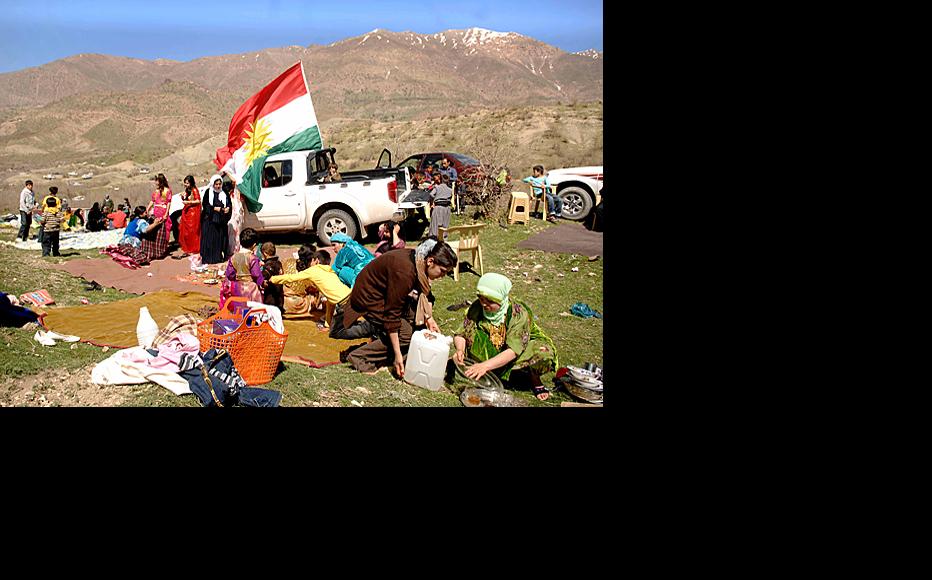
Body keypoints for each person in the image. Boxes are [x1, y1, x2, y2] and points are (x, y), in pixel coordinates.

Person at [329, 240, 457, 376]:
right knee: (406, 335)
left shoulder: (418, 260)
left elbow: (423, 295)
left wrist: (429, 319)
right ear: (430, 261)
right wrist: (397, 356)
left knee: (415, 324)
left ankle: (387, 344)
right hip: (368, 300)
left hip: (383, 297)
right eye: (442, 271)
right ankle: (360, 357)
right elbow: (392, 315)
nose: (442, 276)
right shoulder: (405, 271)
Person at [452, 273, 559, 401]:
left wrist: (485, 366)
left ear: (501, 299)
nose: (484, 304)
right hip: (490, 349)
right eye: (481, 299)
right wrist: (460, 350)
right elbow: (462, 333)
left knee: (542, 353)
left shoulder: (518, 314)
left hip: (515, 351)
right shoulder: (477, 307)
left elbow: (514, 350)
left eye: (490, 301)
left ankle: (534, 377)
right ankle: (490, 369)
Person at [271, 249, 351, 327]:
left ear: (316, 261)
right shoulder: (330, 271)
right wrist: (327, 324)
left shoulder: (312, 270)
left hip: (343, 303)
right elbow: (331, 299)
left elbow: (290, 278)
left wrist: (273, 279)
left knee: (340, 331)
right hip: (351, 296)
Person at [219, 228, 264, 308]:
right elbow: (256, 274)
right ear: (254, 245)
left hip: (237, 287)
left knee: (239, 307)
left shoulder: (233, 257)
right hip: (250, 288)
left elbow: (229, 274)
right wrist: (262, 283)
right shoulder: (252, 258)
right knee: (252, 309)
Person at [275, 244, 320, 316]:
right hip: (296, 303)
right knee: (315, 295)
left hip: (281, 300)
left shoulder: (287, 261)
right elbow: (314, 290)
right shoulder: (309, 274)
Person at [200, 174, 232, 264]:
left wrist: (228, 208)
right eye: (216, 184)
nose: (218, 186)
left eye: (219, 184)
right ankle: (209, 259)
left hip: (221, 221)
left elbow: (229, 203)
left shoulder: (224, 192)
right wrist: (214, 208)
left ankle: (218, 257)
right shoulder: (208, 193)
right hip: (210, 221)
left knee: (219, 240)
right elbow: (205, 205)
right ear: (213, 184)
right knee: (210, 241)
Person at [179, 175, 202, 256]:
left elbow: (198, 201)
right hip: (187, 212)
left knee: (192, 231)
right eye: (185, 183)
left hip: (193, 213)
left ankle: (193, 248)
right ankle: (187, 247)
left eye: (187, 183)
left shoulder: (195, 190)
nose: (185, 184)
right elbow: (186, 199)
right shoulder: (188, 190)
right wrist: (183, 197)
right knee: (186, 232)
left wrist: (188, 202)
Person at [146, 173, 173, 241]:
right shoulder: (156, 191)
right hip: (156, 211)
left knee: (165, 228)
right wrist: (147, 209)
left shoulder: (167, 191)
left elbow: (168, 203)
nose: (156, 183)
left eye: (157, 181)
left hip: (163, 211)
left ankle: (164, 244)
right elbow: (152, 201)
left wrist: (166, 214)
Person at [428, 172, 453, 239]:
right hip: (447, 208)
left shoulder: (437, 187)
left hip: (438, 207)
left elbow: (431, 194)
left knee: (435, 225)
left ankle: (433, 238)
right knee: (445, 225)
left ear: (440, 180)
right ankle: (444, 238)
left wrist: (431, 202)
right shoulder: (450, 190)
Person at [260, 243, 284, 311]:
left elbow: (264, 275)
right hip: (279, 296)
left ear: (265, 253)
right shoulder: (278, 263)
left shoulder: (269, 265)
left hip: (271, 297)